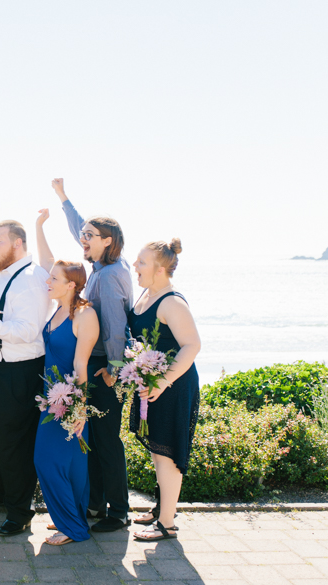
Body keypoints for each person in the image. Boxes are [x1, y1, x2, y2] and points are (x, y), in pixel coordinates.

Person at [50, 178, 134, 533]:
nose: (82, 239)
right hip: (99, 364)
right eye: (82, 235)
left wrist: (114, 368)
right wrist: (64, 199)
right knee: (95, 438)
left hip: (106, 366)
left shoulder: (112, 275)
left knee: (107, 441)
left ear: (107, 241)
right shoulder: (100, 265)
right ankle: (96, 505)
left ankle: (118, 511)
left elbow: (116, 327)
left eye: (89, 236)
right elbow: (79, 227)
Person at [0, 221, 50, 537]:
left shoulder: (32, 280)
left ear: (18, 243)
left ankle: (20, 512)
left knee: (14, 442)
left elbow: (28, 331)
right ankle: (3, 493)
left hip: (18, 372)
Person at [33, 211, 101, 545]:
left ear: (71, 284)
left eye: (54, 280)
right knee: (69, 463)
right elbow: (49, 262)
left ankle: (73, 527)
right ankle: (68, 517)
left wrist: (79, 408)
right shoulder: (58, 308)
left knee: (49, 460)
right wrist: (38, 227)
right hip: (51, 396)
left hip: (69, 400)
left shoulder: (84, 315)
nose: (49, 282)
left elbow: (81, 364)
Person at [128, 239, 201, 541]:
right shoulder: (147, 294)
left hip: (173, 385)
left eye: (141, 262)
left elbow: (192, 345)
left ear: (160, 269)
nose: (135, 266)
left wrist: (162, 380)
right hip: (153, 384)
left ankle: (167, 524)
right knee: (158, 452)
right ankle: (161, 509)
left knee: (167, 454)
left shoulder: (171, 302)